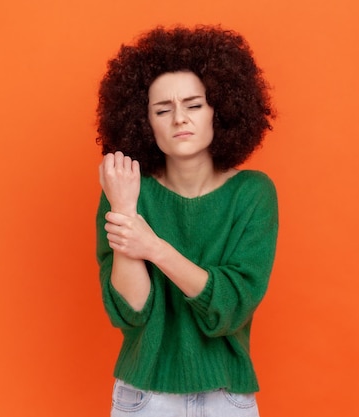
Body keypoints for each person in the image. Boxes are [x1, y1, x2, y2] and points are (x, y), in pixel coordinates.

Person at [95, 25, 278, 417]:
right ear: (145, 121)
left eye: (194, 105)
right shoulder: (125, 189)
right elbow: (131, 312)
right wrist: (125, 211)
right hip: (142, 396)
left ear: (220, 110)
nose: (180, 119)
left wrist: (154, 248)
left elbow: (228, 310)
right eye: (163, 109)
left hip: (226, 396)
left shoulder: (252, 193)